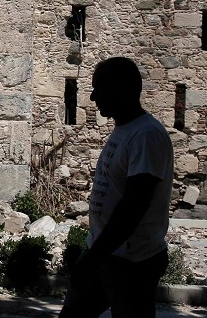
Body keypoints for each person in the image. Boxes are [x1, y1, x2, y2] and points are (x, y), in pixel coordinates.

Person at [59, 57, 174, 318]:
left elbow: (134, 205)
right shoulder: (125, 131)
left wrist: (93, 257)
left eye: (99, 88)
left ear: (120, 88)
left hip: (132, 262)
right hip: (106, 254)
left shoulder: (146, 135)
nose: (92, 97)